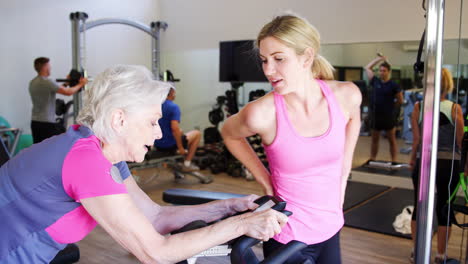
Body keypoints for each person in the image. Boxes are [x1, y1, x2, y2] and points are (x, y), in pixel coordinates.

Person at [0, 65, 288, 263]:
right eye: (152, 122)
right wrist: (242, 225)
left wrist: (228, 208)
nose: (160, 132)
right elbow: (155, 253)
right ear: (119, 120)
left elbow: (155, 218)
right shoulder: (85, 160)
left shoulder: (105, 154)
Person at [221, 14, 362, 263]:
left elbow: (345, 156)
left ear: (306, 57)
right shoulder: (262, 114)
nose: (268, 70)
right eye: (264, 60)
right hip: (286, 232)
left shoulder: (346, 96)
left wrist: (341, 186)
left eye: (279, 59)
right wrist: (266, 181)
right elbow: (228, 133)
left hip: (331, 226)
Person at [409, 68, 464, 263]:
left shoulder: (419, 106)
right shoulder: (454, 108)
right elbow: (461, 142)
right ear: (448, 84)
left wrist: (412, 160)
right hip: (447, 165)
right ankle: (441, 255)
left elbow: (416, 141)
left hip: (425, 162)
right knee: (444, 207)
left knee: (419, 206)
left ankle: (417, 252)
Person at [29, 57, 88, 143]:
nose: (50, 68)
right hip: (46, 123)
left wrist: (67, 83)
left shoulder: (33, 82)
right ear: (45, 67)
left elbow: (56, 89)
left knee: (39, 148)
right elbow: (68, 92)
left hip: (35, 122)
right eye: (49, 66)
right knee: (55, 146)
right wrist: (81, 84)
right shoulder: (47, 82)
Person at [365, 55, 403, 163]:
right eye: (380, 71)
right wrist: (380, 59)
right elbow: (367, 68)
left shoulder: (394, 85)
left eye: (384, 71)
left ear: (389, 72)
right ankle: (372, 158)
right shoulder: (375, 81)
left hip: (388, 116)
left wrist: (391, 109)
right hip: (376, 116)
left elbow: (400, 100)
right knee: (374, 139)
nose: (382, 72)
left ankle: (394, 160)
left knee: (392, 140)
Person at [154, 87, 201, 171]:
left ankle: (179, 163)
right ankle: (187, 163)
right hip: (170, 146)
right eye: (174, 93)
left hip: (158, 145)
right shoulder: (174, 107)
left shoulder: (156, 106)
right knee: (197, 133)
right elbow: (174, 128)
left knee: (181, 132)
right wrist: (180, 148)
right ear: (171, 93)